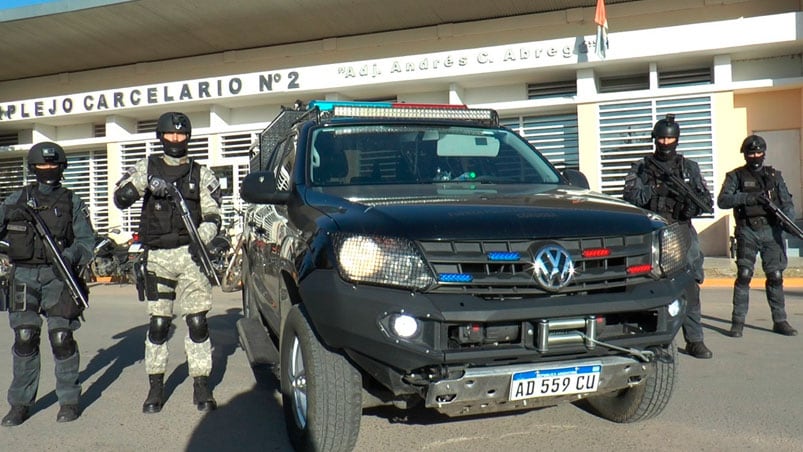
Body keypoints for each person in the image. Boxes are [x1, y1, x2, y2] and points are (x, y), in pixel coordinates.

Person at [113, 112, 222, 413]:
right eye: (170, 135)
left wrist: (203, 236)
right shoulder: (146, 166)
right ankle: (155, 387)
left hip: (190, 256)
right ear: (161, 136)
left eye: (181, 134)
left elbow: (214, 214)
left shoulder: (202, 174)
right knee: (159, 325)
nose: (176, 139)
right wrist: (145, 184)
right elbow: (120, 198)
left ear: (188, 137)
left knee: (198, 323)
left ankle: (201, 384)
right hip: (158, 258)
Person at [0, 142, 95, 426]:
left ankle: (69, 400)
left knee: (62, 339)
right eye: (42, 165)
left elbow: (86, 241)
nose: (48, 170)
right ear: (33, 168)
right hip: (23, 276)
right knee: (25, 338)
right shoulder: (16, 199)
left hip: (59, 276)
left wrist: (69, 256)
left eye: (53, 165)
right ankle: (20, 404)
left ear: (62, 167)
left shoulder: (72, 201)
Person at [623, 114, 714, 359]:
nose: (666, 143)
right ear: (655, 139)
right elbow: (630, 196)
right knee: (651, 287)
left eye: (670, 138)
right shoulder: (642, 167)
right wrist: (656, 189)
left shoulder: (689, 167)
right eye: (662, 138)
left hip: (681, 230)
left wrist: (690, 207)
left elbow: (706, 199)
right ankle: (655, 343)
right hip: (653, 232)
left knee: (691, 286)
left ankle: (695, 340)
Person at [716, 135, 798, 337]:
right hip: (748, 230)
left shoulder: (774, 175)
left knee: (776, 276)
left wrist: (787, 219)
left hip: (772, 230)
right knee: (744, 275)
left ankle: (780, 320)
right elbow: (723, 200)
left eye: (759, 152)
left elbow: (786, 202)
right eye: (751, 153)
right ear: (745, 154)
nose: (755, 156)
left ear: (764, 153)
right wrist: (749, 198)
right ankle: (738, 322)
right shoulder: (736, 176)